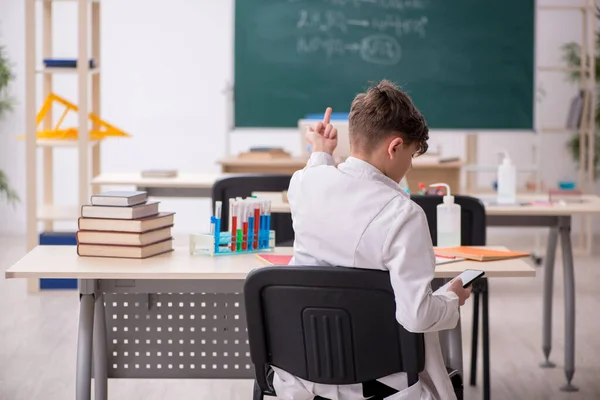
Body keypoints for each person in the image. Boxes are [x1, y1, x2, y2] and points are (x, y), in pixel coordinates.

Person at [272, 80, 472, 400]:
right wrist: (451, 299)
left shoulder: (304, 183)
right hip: (378, 379)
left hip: (303, 371)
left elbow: (317, 179)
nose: (409, 165)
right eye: (410, 154)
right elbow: (417, 316)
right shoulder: (403, 215)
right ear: (394, 147)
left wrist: (321, 152)